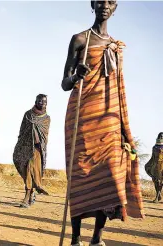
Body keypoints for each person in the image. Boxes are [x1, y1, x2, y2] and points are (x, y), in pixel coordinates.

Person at [61, 1, 144, 245]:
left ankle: (96, 239)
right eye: (100, 1)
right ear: (92, 4)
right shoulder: (80, 40)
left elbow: (118, 88)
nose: (104, 5)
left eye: (110, 2)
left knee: (109, 175)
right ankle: (76, 238)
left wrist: (121, 128)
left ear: (115, 8)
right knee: (80, 175)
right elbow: (65, 83)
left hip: (109, 118)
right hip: (82, 116)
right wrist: (77, 76)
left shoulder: (116, 47)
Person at [13, 94, 50, 208]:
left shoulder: (46, 118)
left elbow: (45, 134)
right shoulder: (28, 114)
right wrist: (20, 144)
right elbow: (22, 130)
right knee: (25, 169)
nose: (41, 103)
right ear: (35, 101)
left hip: (37, 149)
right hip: (25, 147)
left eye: (44, 102)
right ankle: (32, 192)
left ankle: (27, 196)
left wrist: (39, 142)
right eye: (39, 101)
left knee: (31, 169)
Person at [145, 132, 163, 203]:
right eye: (160, 136)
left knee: (160, 182)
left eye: (162, 136)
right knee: (156, 181)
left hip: (162, 165)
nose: (161, 138)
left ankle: (158, 196)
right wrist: (148, 165)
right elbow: (152, 157)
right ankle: (157, 196)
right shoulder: (154, 147)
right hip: (155, 166)